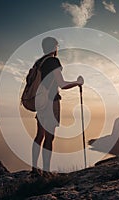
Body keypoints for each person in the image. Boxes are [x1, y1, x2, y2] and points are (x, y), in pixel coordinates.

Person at [31, 37, 84, 175]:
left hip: (40, 102)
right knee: (49, 137)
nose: (57, 48)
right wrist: (77, 83)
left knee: (39, 136)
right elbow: (61, 84)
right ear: (54, 47)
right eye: (57, 46)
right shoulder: (53, 61)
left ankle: (34, 169)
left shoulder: (39, 62)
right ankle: (46, 171)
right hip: (51, 101)